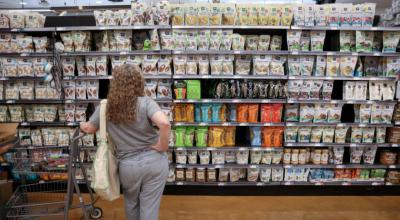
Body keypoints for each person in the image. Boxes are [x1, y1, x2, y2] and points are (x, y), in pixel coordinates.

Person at [80, 64, 171, 220]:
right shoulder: (146, 103)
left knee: (131, 204)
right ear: (139, 82)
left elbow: (89, 129)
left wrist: (80, 124)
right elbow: (164, 123)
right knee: (149, 207)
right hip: (154, 162)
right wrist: (162, 146)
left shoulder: (106, 106)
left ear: (115, 84)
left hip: (128, 166)